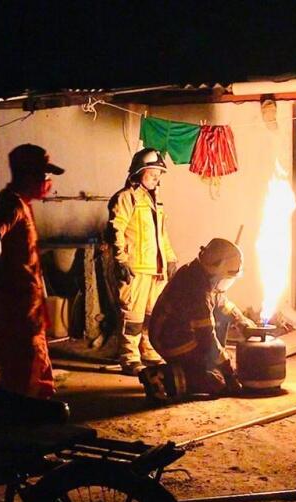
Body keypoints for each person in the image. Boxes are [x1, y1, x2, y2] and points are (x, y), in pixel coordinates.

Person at [0, 143, 69, 423]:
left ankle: (28, 410)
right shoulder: (10, 205)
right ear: (27, 175)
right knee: (23, 365)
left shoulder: (22, 205)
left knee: (36, 362)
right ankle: (16, 417)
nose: (46, 182)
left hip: (28, 306)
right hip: (16, 307)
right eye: (42, 175)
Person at [140, 238, 256, 401]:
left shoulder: (201, 273)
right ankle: (160, 377)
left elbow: (220, 302)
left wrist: (241, 320)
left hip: (179, 331)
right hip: (171, 340)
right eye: (229, 275)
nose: (229, 280)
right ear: (218, 268)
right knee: (216, 382)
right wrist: (227, 370)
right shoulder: (196, 290)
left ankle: (198, 369)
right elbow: (207, 339)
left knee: (215, 360)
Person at [105, 148, 177, 376]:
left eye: (159, 174)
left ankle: (147, 350)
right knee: (133, 315)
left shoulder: (156, 201)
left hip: (156, 268)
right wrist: (121, 261)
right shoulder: (125, 198)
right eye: (152, 172)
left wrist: (171, 258)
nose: (157, 178)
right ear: (139, 172)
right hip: (135, 267)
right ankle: (129, 357)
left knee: (152, 314)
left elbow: (161, 235)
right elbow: (115, 229)